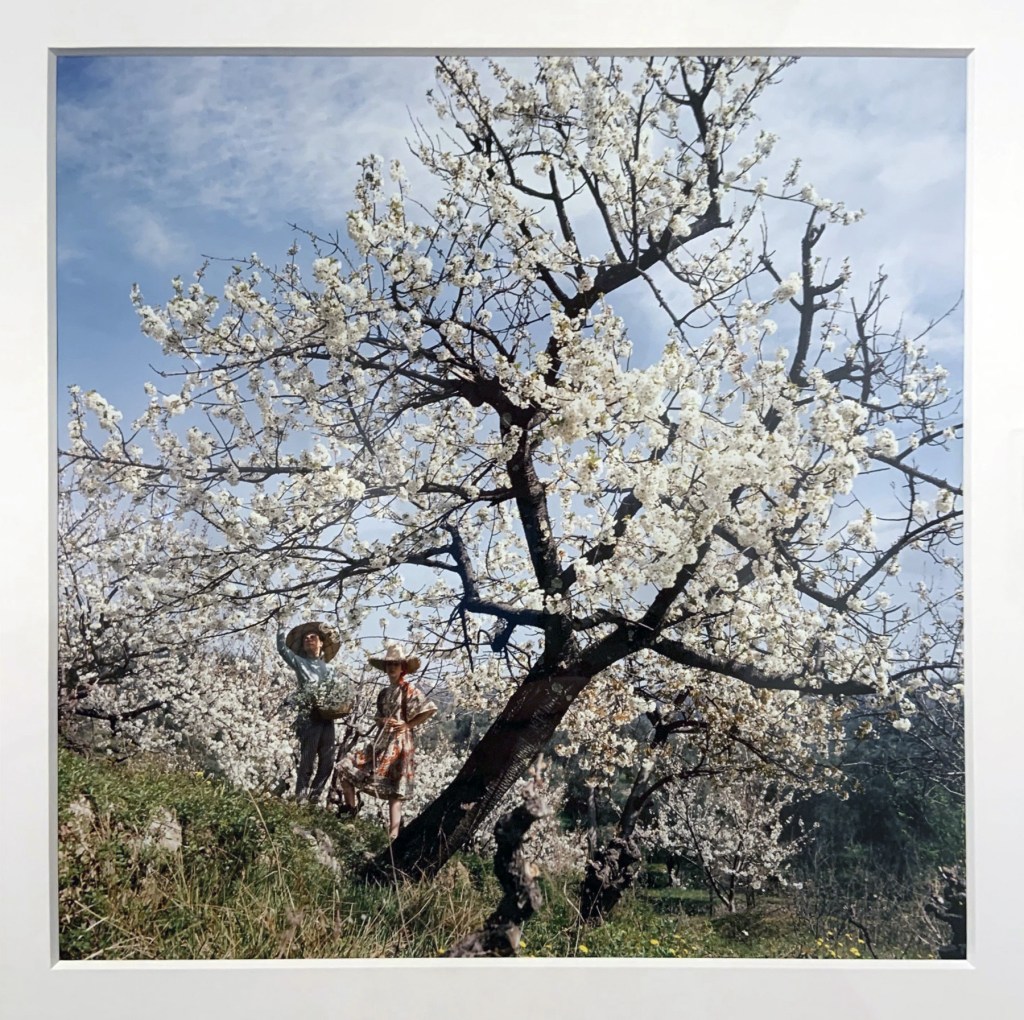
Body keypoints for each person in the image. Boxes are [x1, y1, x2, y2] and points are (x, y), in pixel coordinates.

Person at [336, 642, 437, 839]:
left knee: (396, 790)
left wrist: (407, 725)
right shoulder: (384, 693)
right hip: (381, 741)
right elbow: (379, 716)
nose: (392, 668)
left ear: (402, 668)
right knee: (344, 767)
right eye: (389, 665)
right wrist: (383, 720)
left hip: (399, 743)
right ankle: (351, 810)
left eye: (396, 664)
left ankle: (393, 834)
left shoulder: (409, 689)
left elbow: (429, 709)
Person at [275, 616, 351, 805]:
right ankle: (300, 797)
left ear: (322, 643)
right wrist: (281, 625)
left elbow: (339, 692)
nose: (309, 640)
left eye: (313, 637)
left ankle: (314, 797)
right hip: (309, 717)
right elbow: (283, 650)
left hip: (327, 718)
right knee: (307, 758)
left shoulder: (331, 669)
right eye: (306, 638)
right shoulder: (300, 662)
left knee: (327, 761)